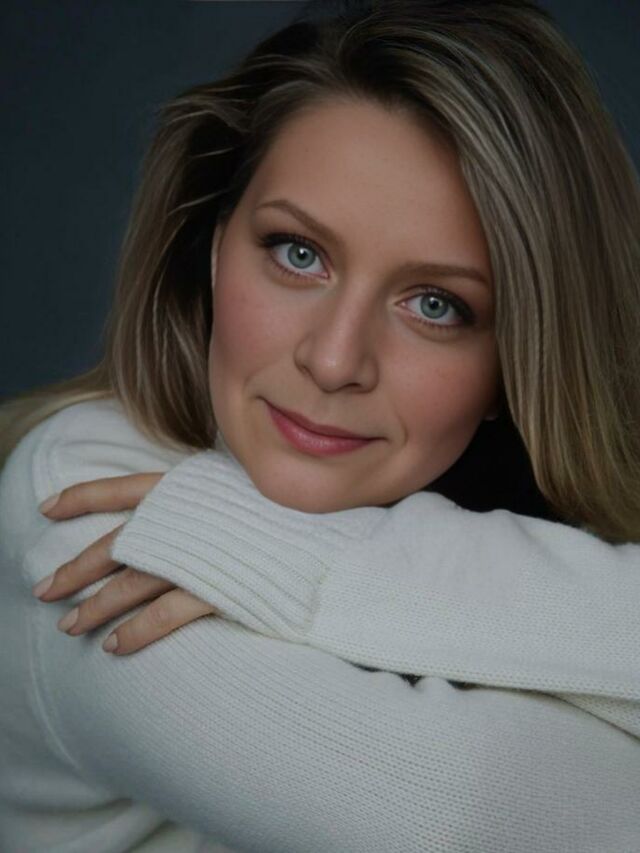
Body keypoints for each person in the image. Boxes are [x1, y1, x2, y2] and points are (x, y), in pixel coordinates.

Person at [1, 0, 639, 851]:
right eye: (298, 253)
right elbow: (472, 816)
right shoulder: (81, 495)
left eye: (435, 304)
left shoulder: (244, 522)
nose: (335, 360)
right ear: (213, 248)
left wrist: (302, 556)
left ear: (512, 364)